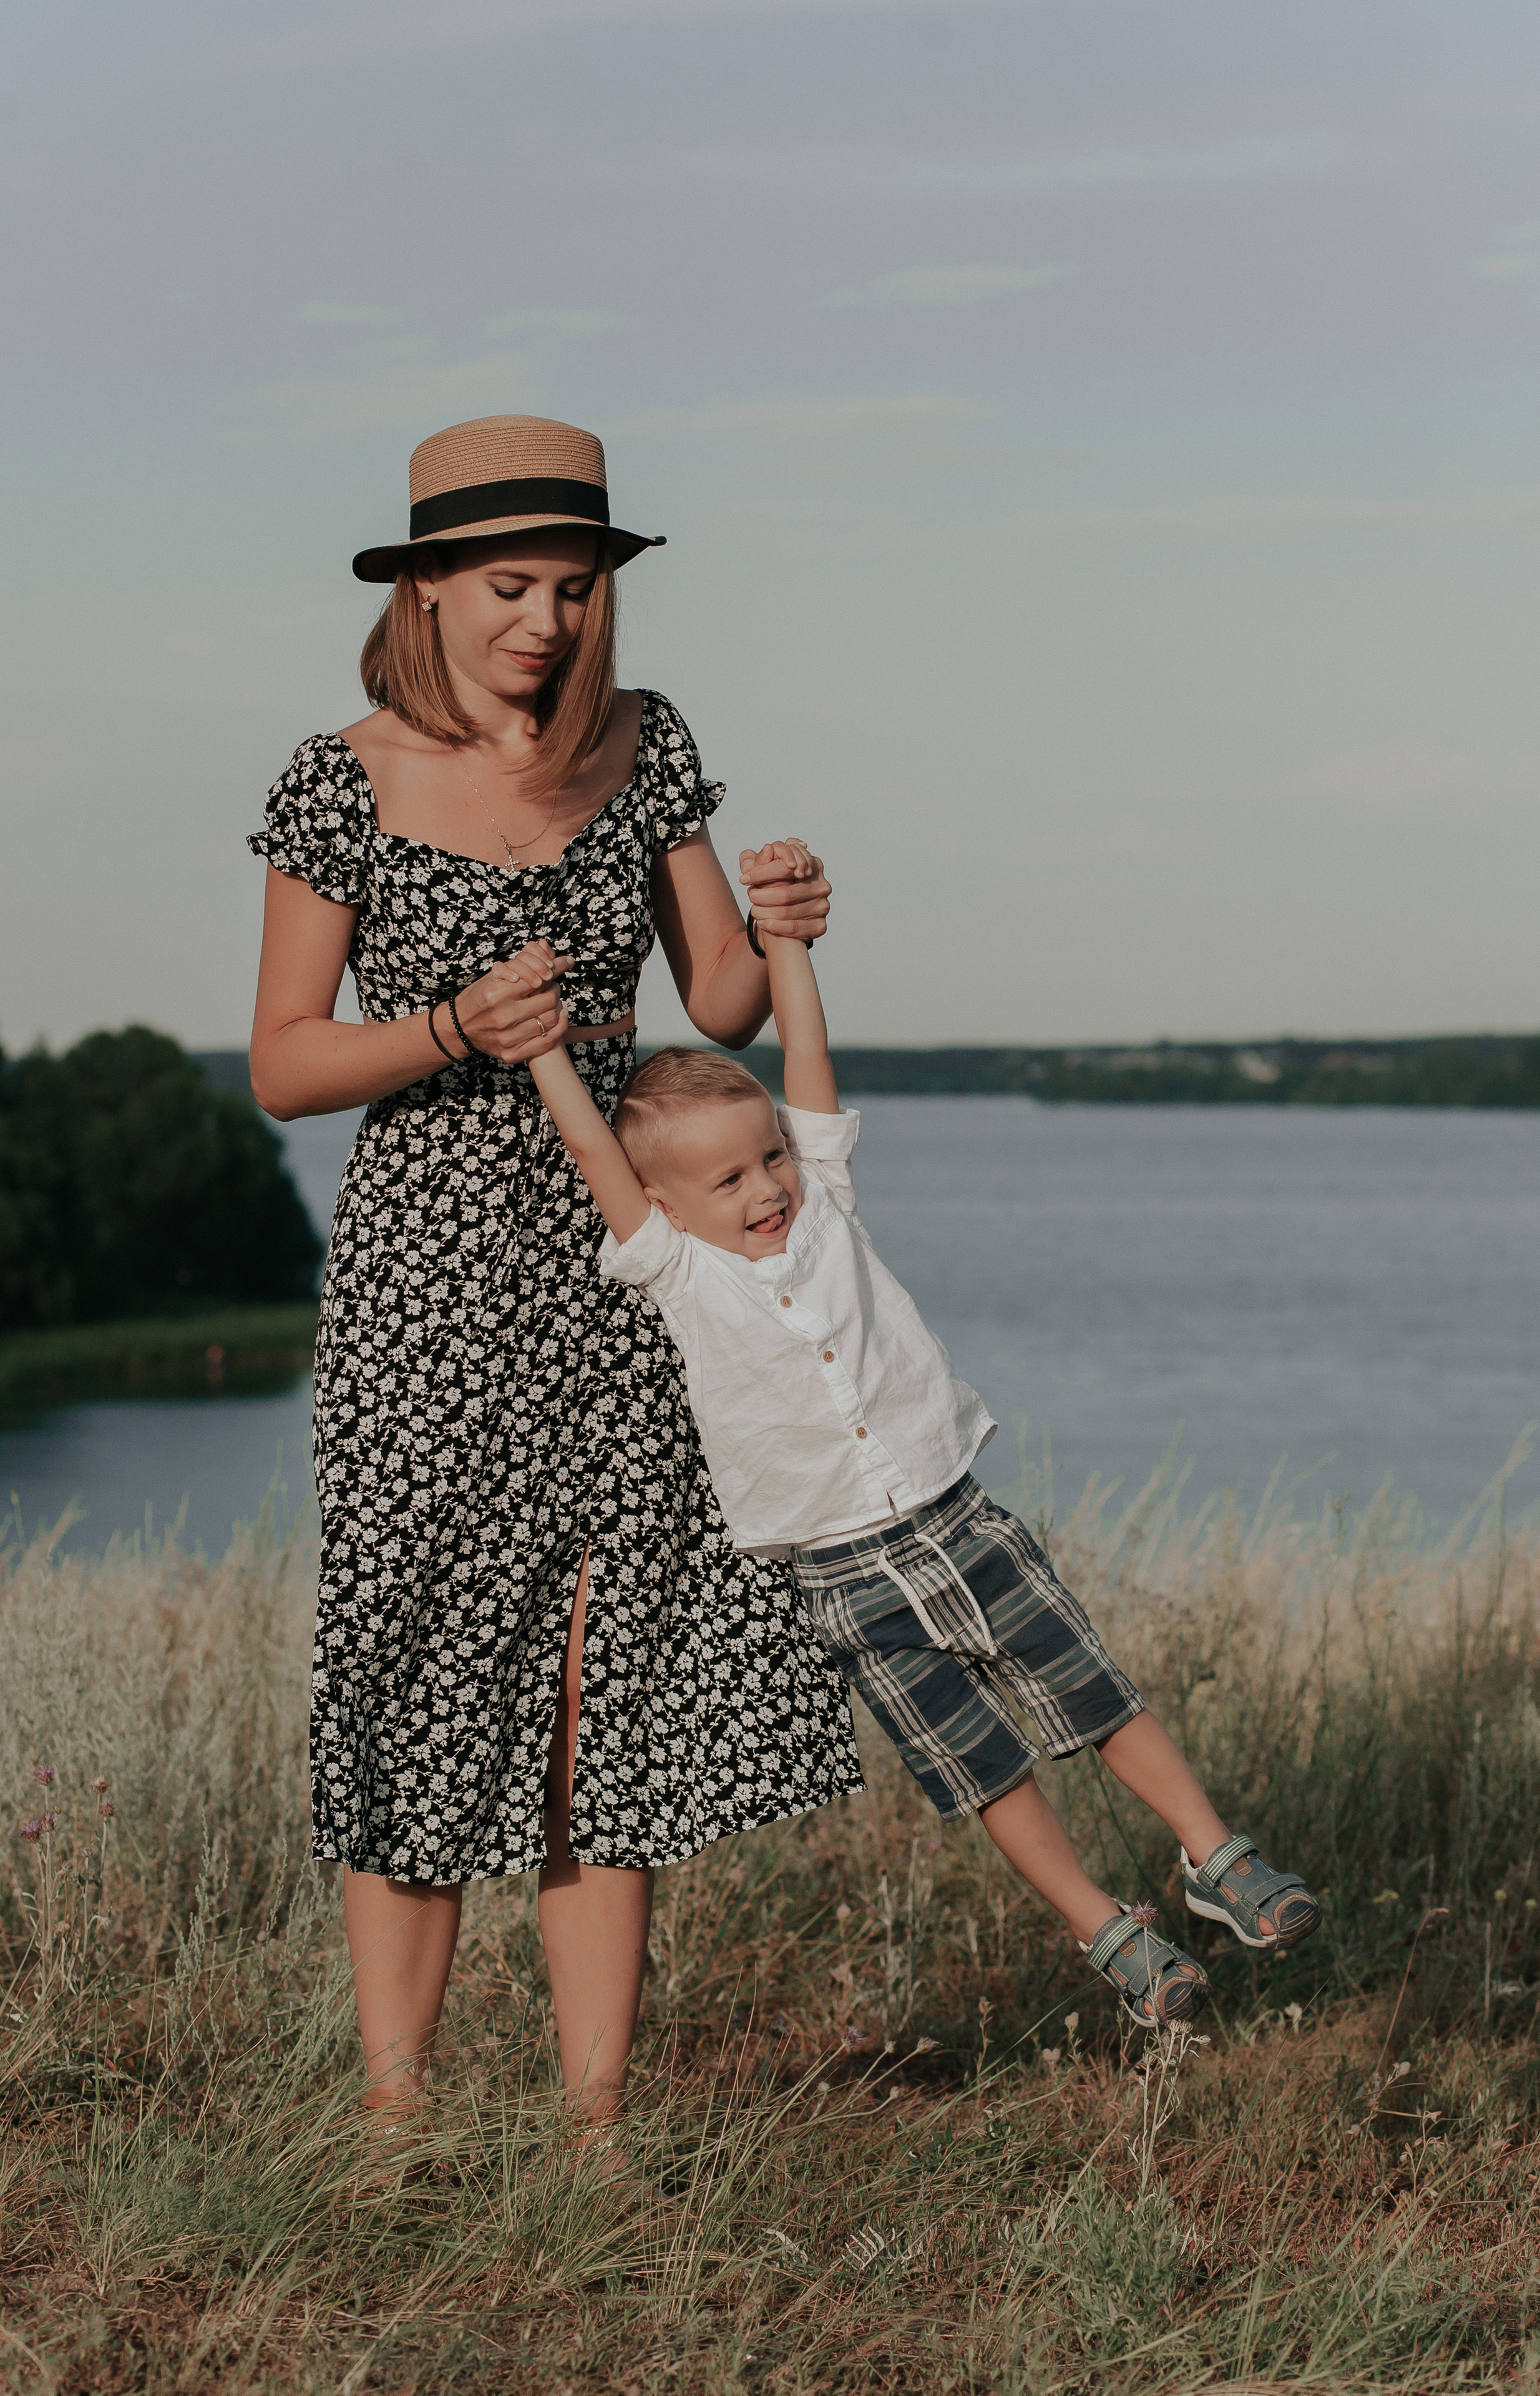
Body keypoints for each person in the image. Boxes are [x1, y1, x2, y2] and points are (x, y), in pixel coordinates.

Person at [247, 416, 863, 2149]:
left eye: (575, 590)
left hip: (633, 1260)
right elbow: (283, 1066)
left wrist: (792, 922)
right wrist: (450, 1027)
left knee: (613, 1685)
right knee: (415, 1663)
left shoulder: (646, 749)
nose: (546, 621)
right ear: (427, 590)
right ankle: (396, 2115)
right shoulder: (337, 777)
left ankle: (597, 2127)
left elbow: (721, 998)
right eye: (509, 587)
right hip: (426, 1276)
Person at [526, 874, 1323, 2027]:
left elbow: (806, 1054)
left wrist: (788, 944)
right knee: (982, 1768)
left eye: (771, 1161)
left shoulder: (828, 1206)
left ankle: (1216, 1856)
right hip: (845, 1580)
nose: (767, 1189)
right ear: (666, 1204)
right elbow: (596, 1154)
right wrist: (549, 1049)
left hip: (956, 1517)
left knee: (1096, 1696)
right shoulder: (675, 1272)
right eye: (733, 1178)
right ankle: (1106, 1933)